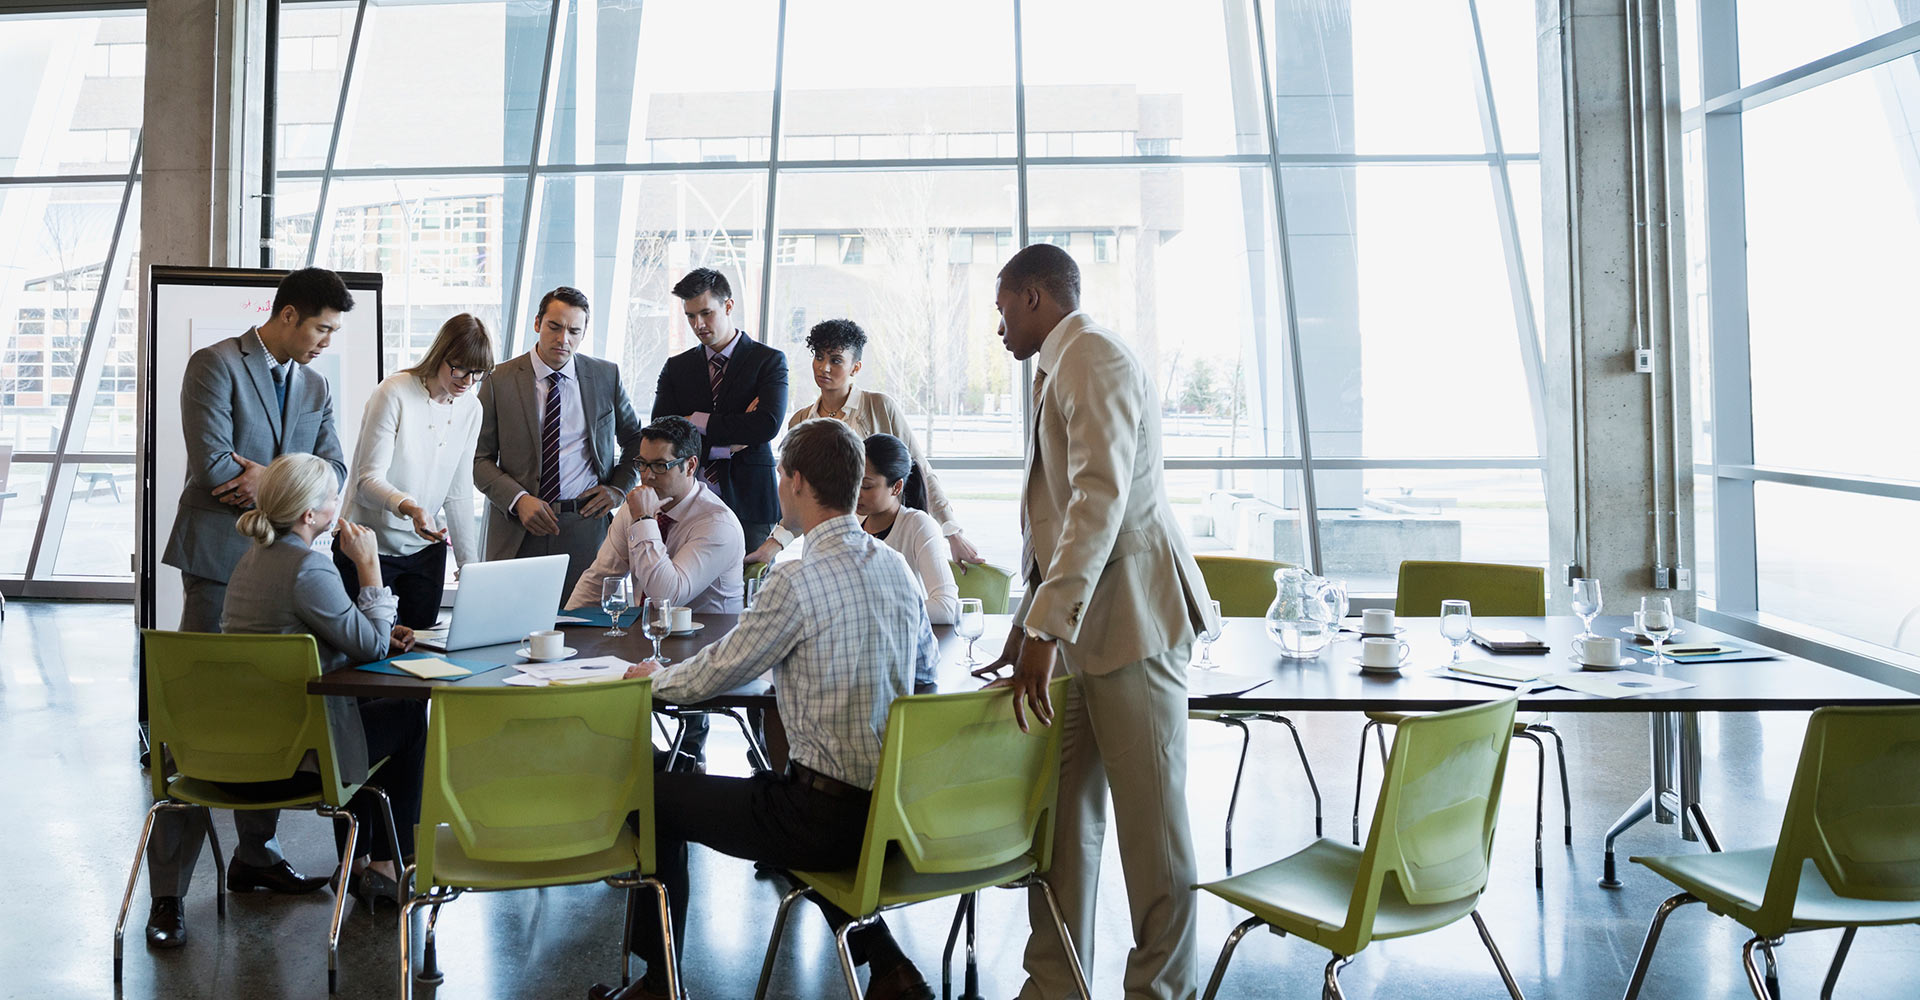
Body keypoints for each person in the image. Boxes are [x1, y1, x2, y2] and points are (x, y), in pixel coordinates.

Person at [590, 419, 937, 1000]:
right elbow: (923, 677)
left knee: (652, 794)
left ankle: (658, 984)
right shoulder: (898, 568)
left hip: (818, 820)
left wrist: (656, 680)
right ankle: (887, 963)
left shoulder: (796, 577)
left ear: (795, 481)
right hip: (895, 813)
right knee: (789, 797)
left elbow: (726, 667)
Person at [982, 244, 1218, 1000]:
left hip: (1132, 626)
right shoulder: (1065, 363)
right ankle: (1056, 987)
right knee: (1063, 828)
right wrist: (1029, 623)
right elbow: (1057, 522)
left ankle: (1161, 991)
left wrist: (1046, 631)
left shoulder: (1092, 356)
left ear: (1034, 296)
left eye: (1000, 311)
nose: (999, 331)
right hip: (1081, 630)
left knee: (1154, 840)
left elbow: (1098, 503)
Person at [149, 266, 356, 949]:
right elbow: (215, 469)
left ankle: (254, 856)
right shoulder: (213, 366)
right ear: (289, 314)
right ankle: (168, 894)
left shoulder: (317, 385)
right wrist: (286, 483)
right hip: (217, 563)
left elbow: (333, 470)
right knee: (201, 723)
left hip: (285, 567)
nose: (327, 341)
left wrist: (268, 477)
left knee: (272, 707)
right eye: (322, 327)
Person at [221, 453, 426, 910]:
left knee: (364, 714)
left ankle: (355, 861)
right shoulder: (307, 568)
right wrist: (370, 567)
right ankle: (390, 865)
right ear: (310, 515)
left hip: (241, 739)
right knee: (407, 717)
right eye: (334, 497)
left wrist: (368, 628)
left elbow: (314, 629)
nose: (340, 503)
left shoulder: (251, 562)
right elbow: (370, 649)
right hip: (300, 749)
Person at [748, 318, 984, 567]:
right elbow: (798, 495)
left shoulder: (880, 406)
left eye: (836, 360)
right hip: (825, 546)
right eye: (819, 357)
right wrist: (771, 547)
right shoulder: (801, 421)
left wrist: (952, 532)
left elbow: (920, 470)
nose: (824, 367)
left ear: (855, 367)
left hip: (882, 540)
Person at [473, 286, 646, 600]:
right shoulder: (498, 380)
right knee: (514, 631)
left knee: (587, 633)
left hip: (586, 526)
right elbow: (477, 459)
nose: (563, 339)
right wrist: (518, 499)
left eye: (573, 331)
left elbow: (637, 441)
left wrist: (618, 489)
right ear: (538, 323)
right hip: (518, 529)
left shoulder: (606, 376)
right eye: (554, 326)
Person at [335, 313, 493, 627]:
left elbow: (459, 493)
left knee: (420, 653)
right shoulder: (394, 392)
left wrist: (470, 566)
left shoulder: (471, 408)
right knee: (367, 652)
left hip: (424, 551)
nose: (467, 381)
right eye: (460, 368)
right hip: (368, 546)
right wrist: (411, 508)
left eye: (478, 373)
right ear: (441, 354)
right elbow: (368, 479)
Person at [652, 268, 787, 554]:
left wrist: (693, 421)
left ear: (728, 306)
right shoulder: (677, 368)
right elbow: (662, 433)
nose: (698, 324)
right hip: (687, 501)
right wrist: (726, 446)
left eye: (706, 313)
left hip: (750, 504)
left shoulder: (768, 361)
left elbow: (766, 425)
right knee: (683, 591)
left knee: (748, 593)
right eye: (690, 316)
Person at [564, 415, 745, 615]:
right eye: (642, 463)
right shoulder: (634, 507)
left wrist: (644, 520)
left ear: (691, 466)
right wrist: (567, 630)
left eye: (660, 466)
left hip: (705, 640)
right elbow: (599, 579)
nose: (647, 476)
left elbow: (666, 598)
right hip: (644, 635)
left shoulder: (717, 524)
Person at [858, 433, 959, 625]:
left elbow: (947, 607)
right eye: (853, 482)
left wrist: (871, 611)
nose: (856, 492)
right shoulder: (853, 524)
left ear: (896, 487)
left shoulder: (917, 525)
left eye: (866, 486)